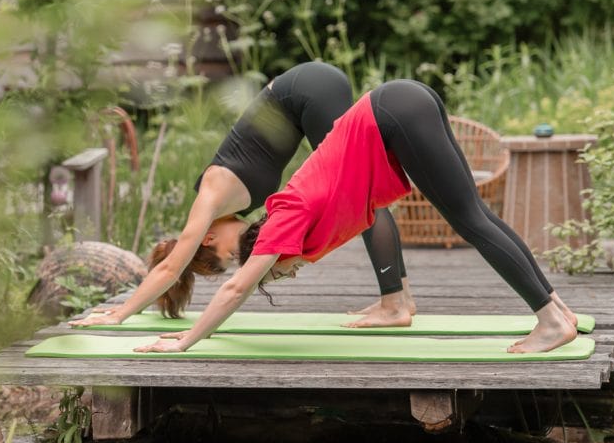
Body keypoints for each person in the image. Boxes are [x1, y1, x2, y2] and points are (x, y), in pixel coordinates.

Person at [134, 78, 578, 355]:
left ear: (272, 250)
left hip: (393, 112)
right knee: (475, 215)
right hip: (401, 104)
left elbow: (236, 288)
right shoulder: (311, 231)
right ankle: (558, 310)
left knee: (470, 221)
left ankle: (551, 321)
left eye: (281, 273)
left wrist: (186, 341)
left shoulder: (283, 218)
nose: (289, 274)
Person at [72, 61, 415, 329]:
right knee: (356, 190)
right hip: (307, 90)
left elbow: (170, 269)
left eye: (228, 254)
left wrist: (119, 314)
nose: (239, 254)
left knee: (357, 191)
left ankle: (394, 302)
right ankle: (401, 299)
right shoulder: (236, 207)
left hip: (306, 89)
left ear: (206, 238)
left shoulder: (211, 195)